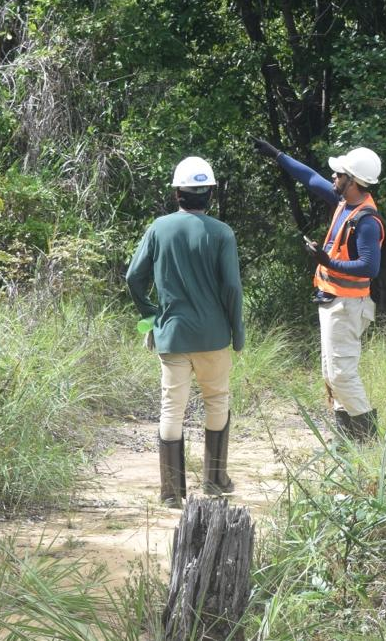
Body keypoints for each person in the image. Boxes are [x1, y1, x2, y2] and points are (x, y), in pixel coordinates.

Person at [126, 156, 245, 508]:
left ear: (178, 192)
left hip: (173, 336)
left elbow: (134, 278)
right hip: (214, 337)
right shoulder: (222, 233)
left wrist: (151, 314)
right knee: (217, 400)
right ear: (209, 193)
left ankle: (171, 492)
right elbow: (233, 289)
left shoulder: (159, 228)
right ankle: (215, 479)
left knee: (171, 408)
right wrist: (237, 333)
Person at [252, 138, 384, 441]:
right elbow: (310, 178)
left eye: (339, 174)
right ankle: (347, 445)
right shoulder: (345, 202)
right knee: (331, 376)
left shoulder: (366, 220)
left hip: (348, 306)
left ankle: (370, 440)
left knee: (341, 375)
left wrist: (328, 262)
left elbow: (369, 267)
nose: (333, 178)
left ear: (352, 181)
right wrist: (277, 155)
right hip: (334, 302)